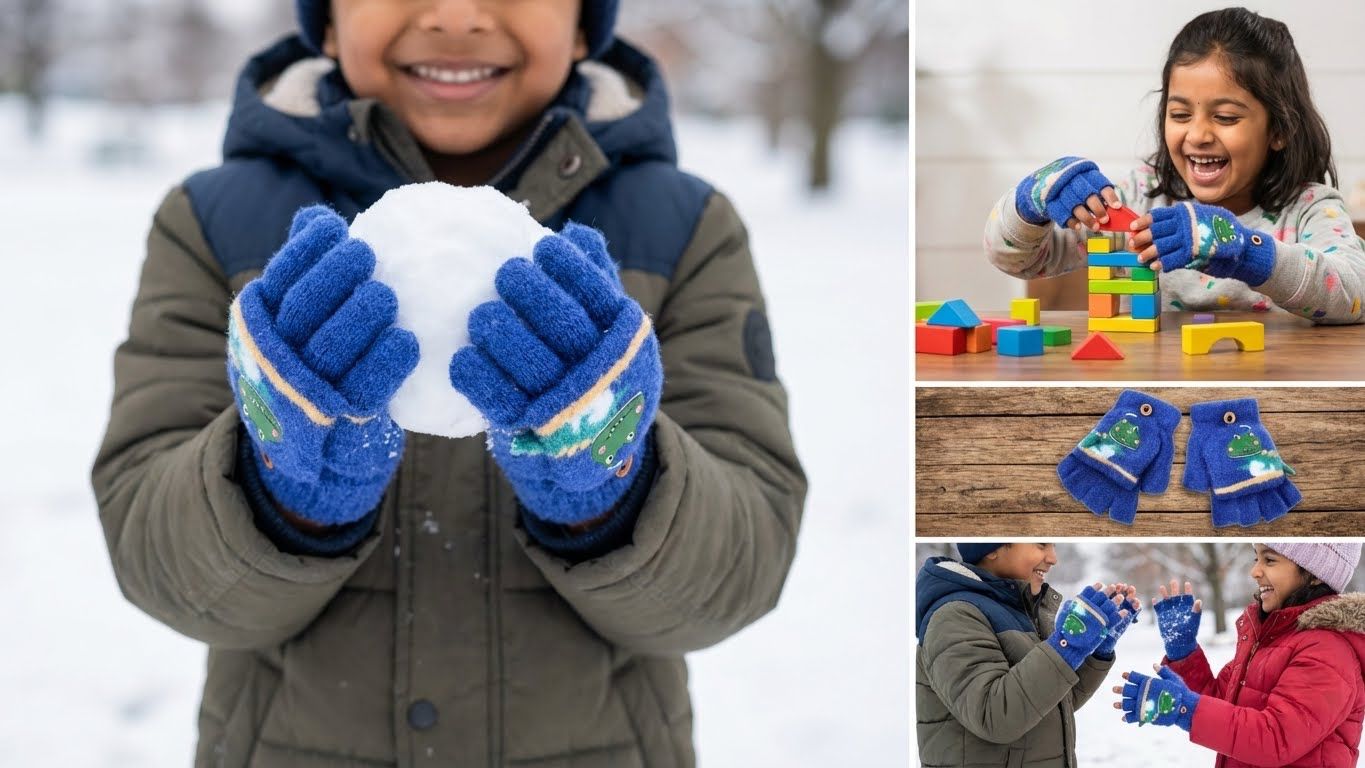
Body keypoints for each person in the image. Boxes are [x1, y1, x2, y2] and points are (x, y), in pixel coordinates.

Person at [90, 2, 806, 765]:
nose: (457, 16)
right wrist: (284, 482)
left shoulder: (680, 227)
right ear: (327, 22)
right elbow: (158, 566)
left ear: (581, 24)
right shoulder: (214, 221)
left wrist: (610, 480)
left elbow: (737, 576)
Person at [984, 7, 1365, 324]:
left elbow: (1354, 296)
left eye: (1227, 117)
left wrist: (1245, 252)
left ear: (1278, 130)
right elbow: (1016, 260)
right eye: (1180, 114)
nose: (1197, 134)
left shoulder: (1311, 207)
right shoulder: (1137, 200)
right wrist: (1031, 200)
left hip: (1274, 392)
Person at [1116, 543, 1365, 767]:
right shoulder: (1272, 640)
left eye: (1269, 560)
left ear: (1314, 574)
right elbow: (1222, 707)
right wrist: (1184, 654)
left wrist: (1184, 708)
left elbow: (1274, 739)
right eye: (1255, 558)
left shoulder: (1328, 651)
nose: (1254, 571)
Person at [916, 543, 1138, 767]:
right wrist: (1067, 646)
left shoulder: (1020, 611)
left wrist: (1098, 650)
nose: (1053, 558)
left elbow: (1052, 703)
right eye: (1041, 544)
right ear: (992, 548)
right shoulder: (954, 616)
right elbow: (994, 716)